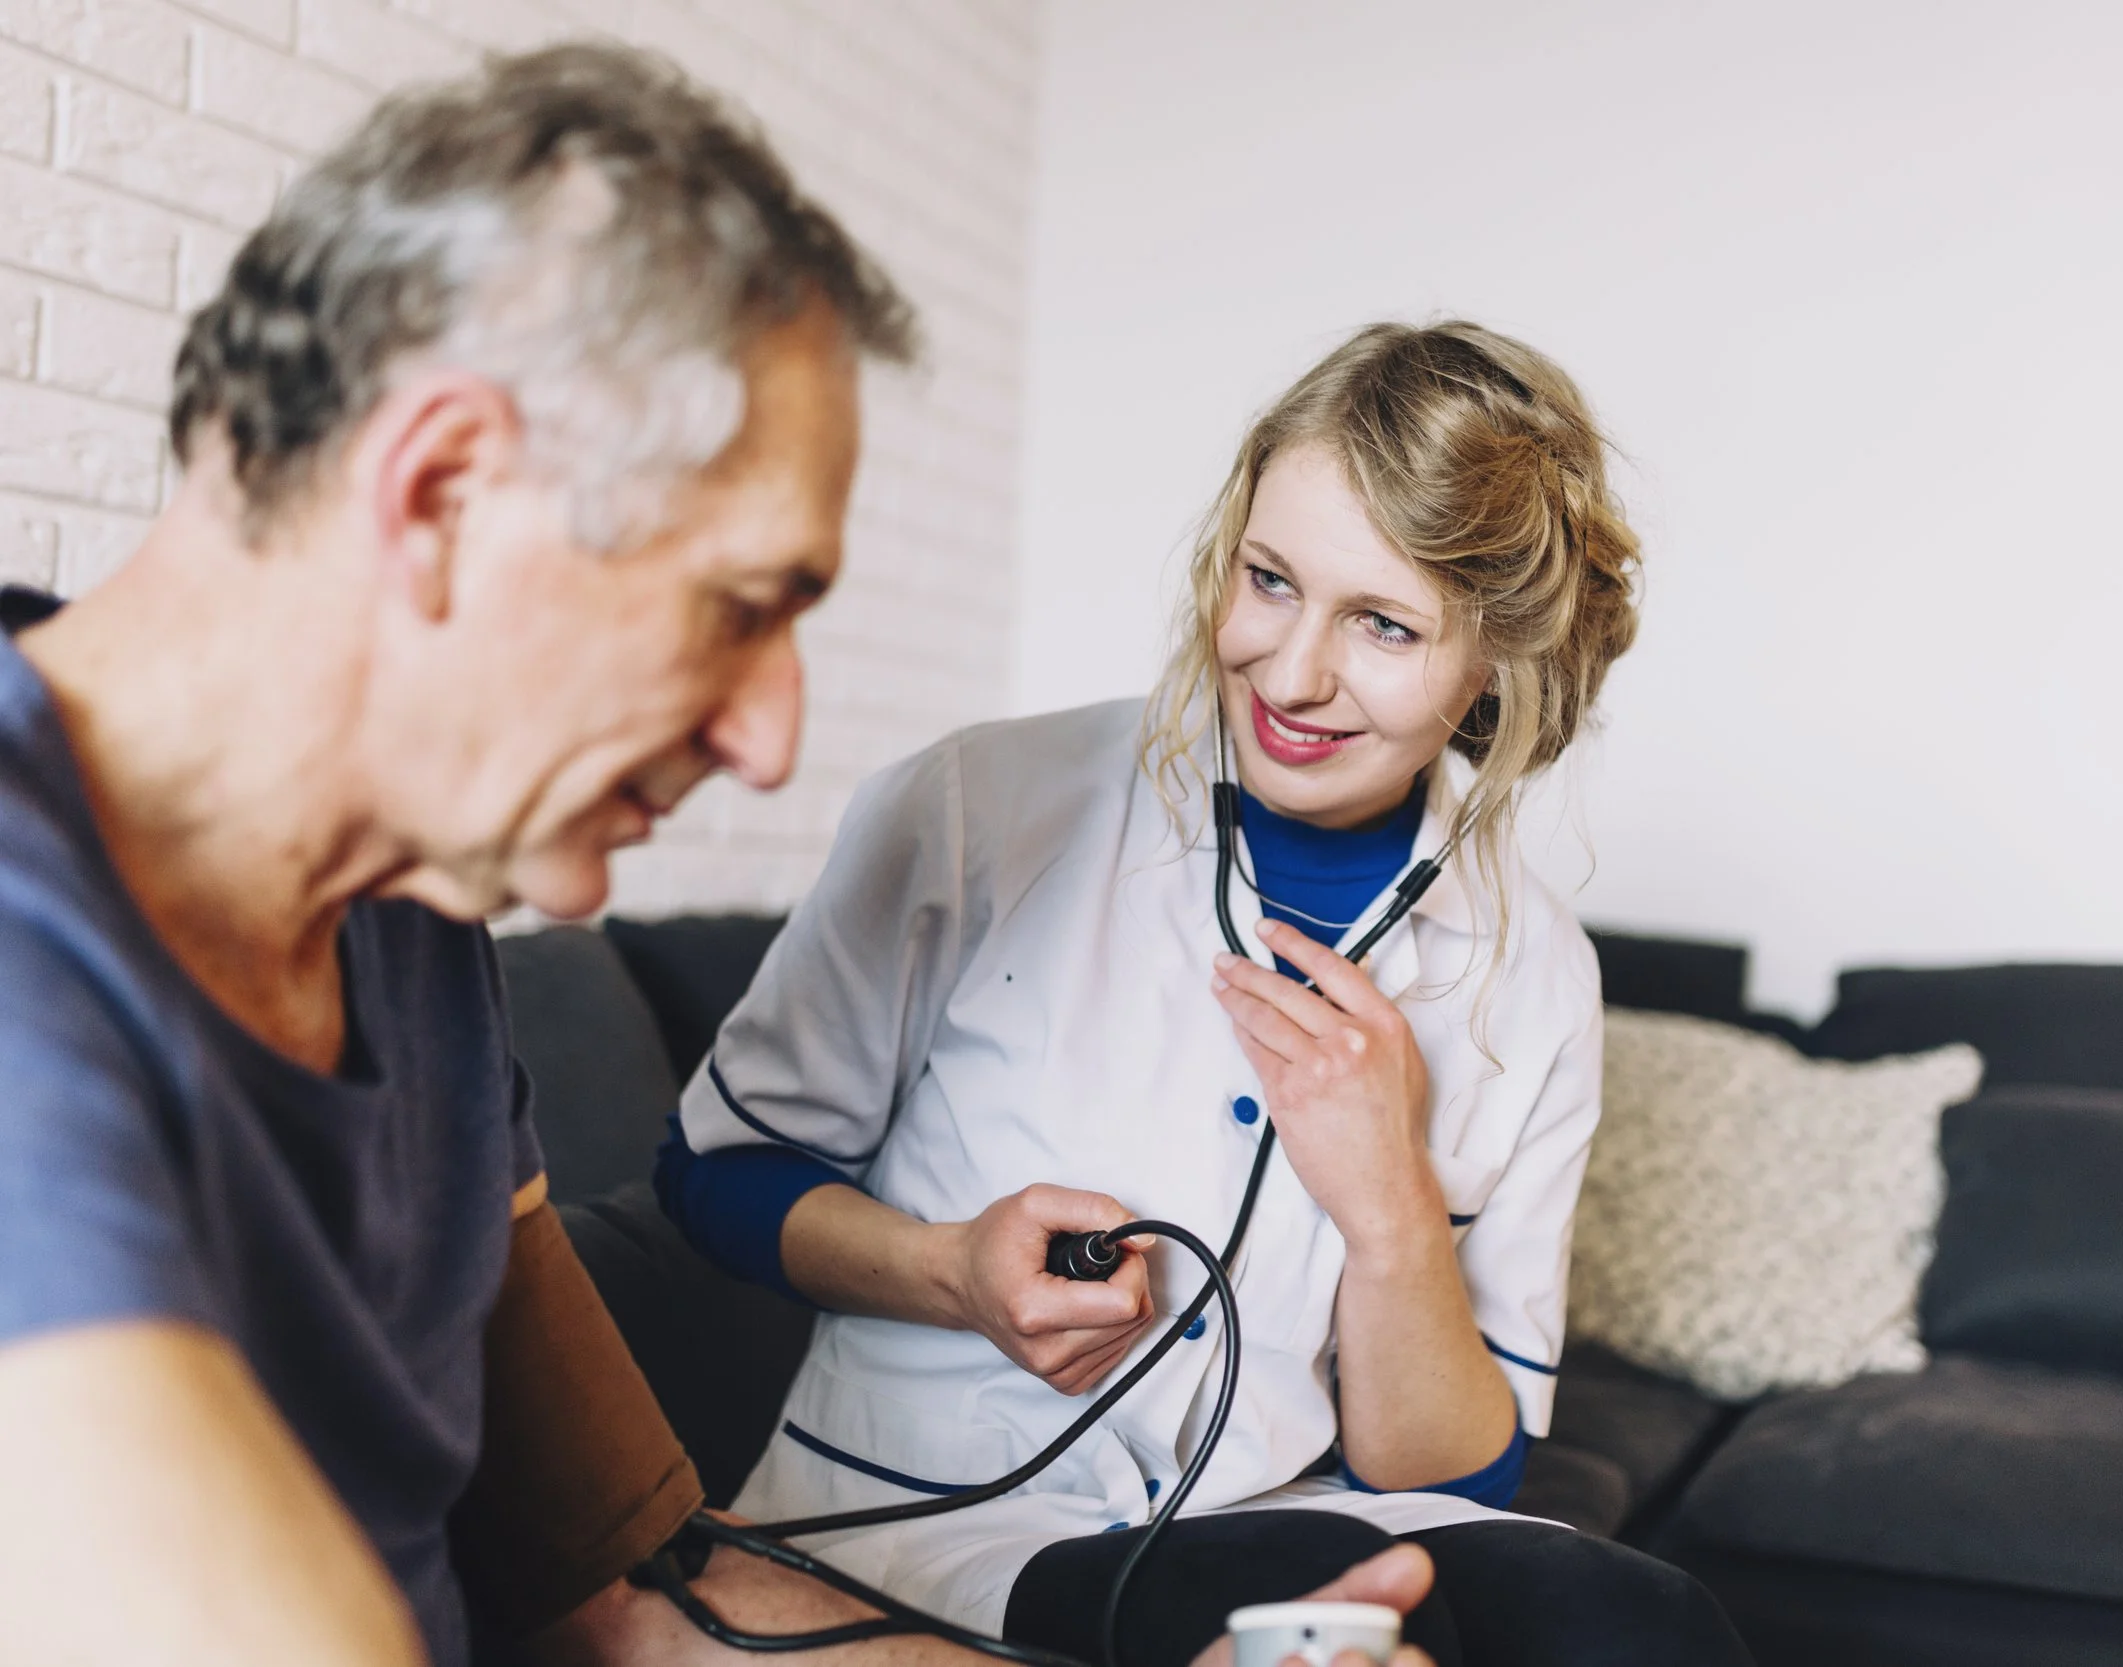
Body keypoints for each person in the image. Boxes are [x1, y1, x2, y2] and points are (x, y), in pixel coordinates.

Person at [0, 43, 1430, 1667]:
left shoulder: (412, 925)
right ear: (444, 491)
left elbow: (642, 1604)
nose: (769, 735)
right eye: (739, 608)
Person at [660, 323, 1755, 1666]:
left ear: (1497, 662)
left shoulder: (1533, 971)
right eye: (1270, 579)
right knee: (1339, 1602)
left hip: (1277, 1509)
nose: (1292, 673)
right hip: (937, 1523)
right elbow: (712, 1169)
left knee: (1642, 1622)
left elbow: (1465, 1479)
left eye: (1385, 625)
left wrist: (1395, 1207)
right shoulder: (978, 807)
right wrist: (950, 1269)